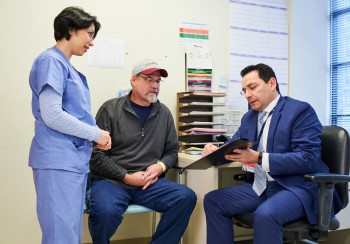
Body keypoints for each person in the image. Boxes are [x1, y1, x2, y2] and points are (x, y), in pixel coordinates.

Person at [203, 63, 342, 243]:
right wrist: (214, 152)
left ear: (272, 83)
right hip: (262, 187)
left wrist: (259, 158)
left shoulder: (300, 111)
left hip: (297, 187)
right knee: (214, 201)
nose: (248, 95)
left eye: (252, 87)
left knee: (265, 214)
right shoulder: (250, 117)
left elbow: (308, 159)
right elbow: (233, 147)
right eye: (244, 90)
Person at [87, 58, 197, 244]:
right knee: (105, 212)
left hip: (147, 183)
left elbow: (172, 151)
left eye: (158, 81)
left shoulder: (164, 113)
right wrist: (126, 177)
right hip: (111, 182)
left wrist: (160, 167)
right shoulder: (111, 109)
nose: (154, 85)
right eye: (148, 79)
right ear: (133, 80)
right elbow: (95, 155)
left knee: (185, 197)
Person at [28, 7, 111, 244]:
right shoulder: (51, 61)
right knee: (60, 236)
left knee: (69, 234)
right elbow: (52, 114)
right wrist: (96, 134)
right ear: (71, 30)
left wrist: (95, 136)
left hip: (71, 162)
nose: (91, 42)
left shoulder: (66, 67)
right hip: (57, 161)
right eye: (89, 33)